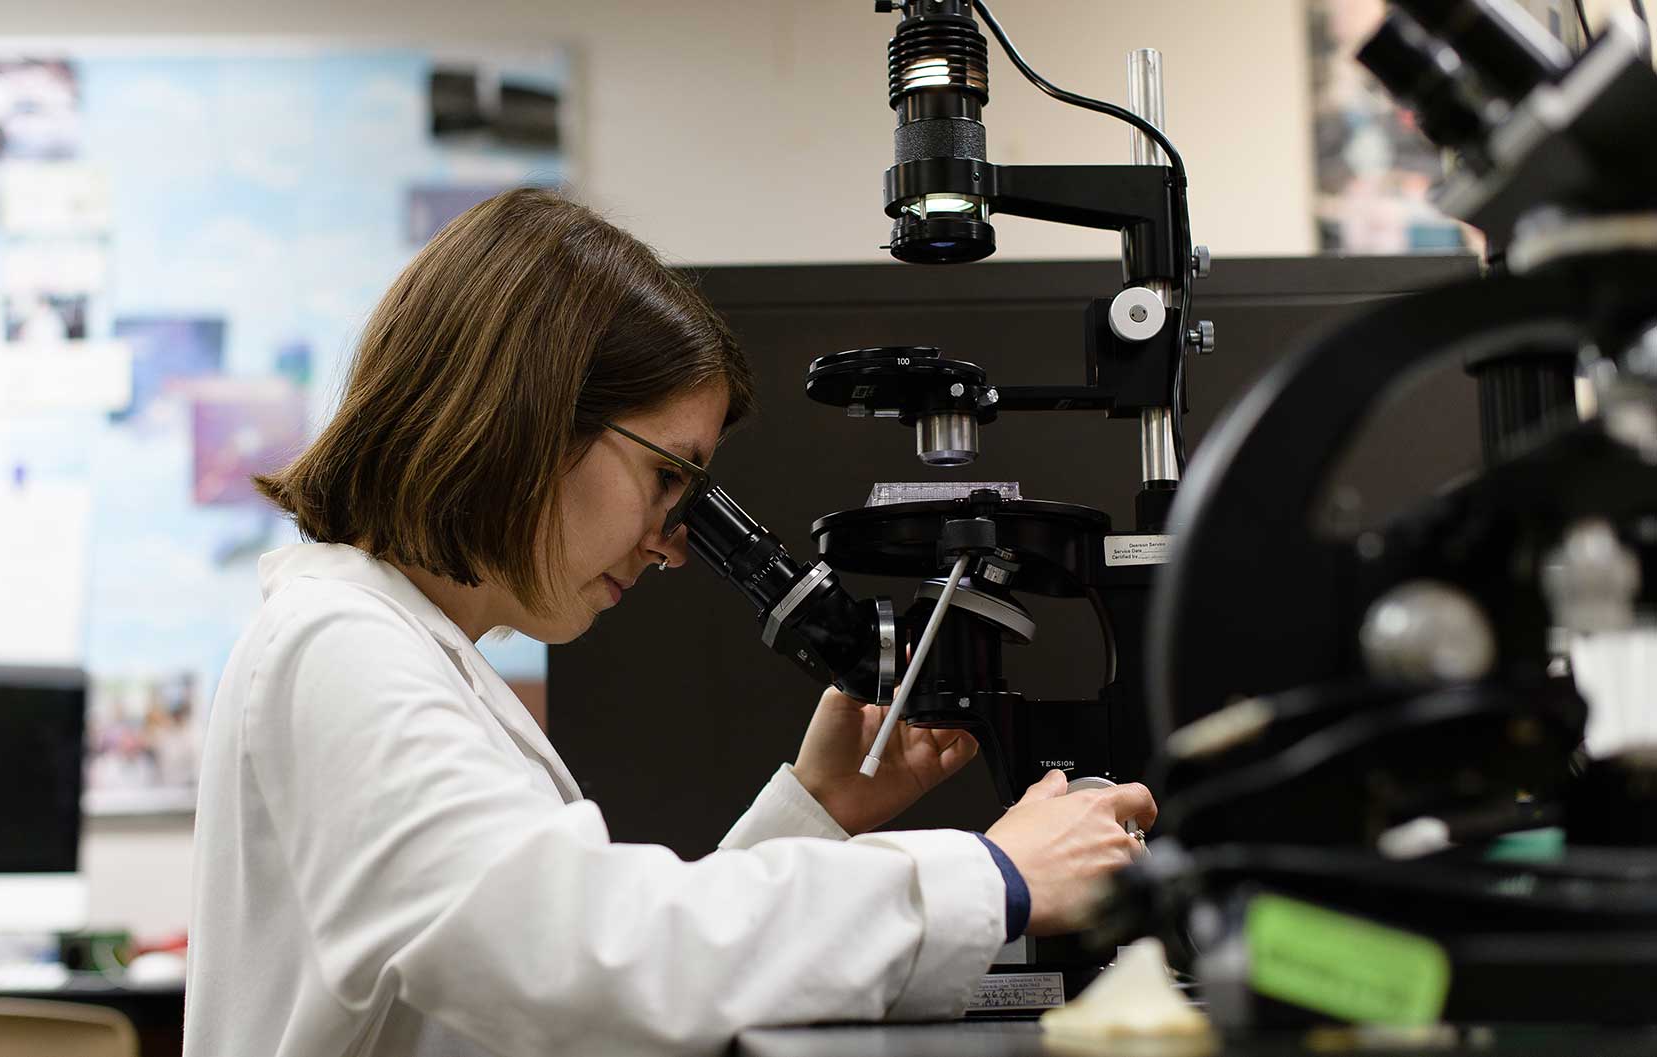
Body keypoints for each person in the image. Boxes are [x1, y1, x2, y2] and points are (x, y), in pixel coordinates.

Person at [184, 188, 1158, 1057]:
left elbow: (593, 978)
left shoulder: (389, 643)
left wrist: (815, 815)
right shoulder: (342, 647)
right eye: (666, 477)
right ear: (531, 416)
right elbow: (574, 965)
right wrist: (989, 874)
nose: (672, 542)